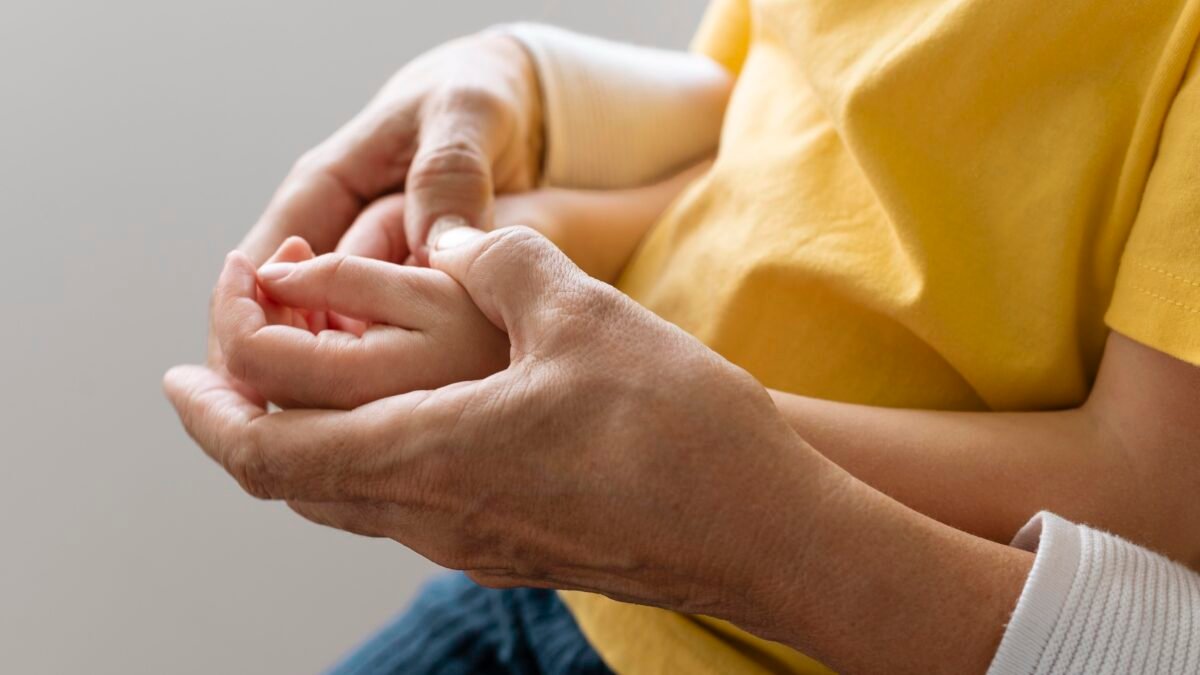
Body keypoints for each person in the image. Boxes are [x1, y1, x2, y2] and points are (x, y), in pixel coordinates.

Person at [165, 0, 1200, 672]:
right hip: (574, 590)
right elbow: (749, 155)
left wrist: (596, 413)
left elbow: (1145, 496)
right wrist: (518, 236)